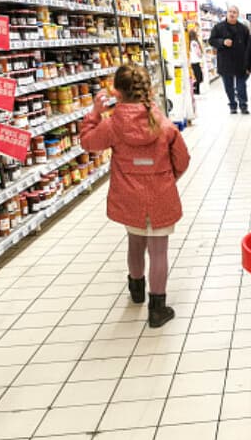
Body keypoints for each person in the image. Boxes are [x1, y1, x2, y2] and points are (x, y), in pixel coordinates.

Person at [80, 65, 190, 328]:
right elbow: (183, 159)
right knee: (159, 251)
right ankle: (157, 309)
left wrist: (94, 113)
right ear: (147, 89)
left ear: (116, 92)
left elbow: (88, 143)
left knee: (135, 243)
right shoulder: (163, 124)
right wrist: (166, 177)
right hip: (160, 194)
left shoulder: (113, 125)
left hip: (128, 196)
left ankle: (137, 292)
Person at [208, 5, 251, 114]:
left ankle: (243, 105)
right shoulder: (218, 27)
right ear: (226, 13)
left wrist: (249, 64)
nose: (232, 14)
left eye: (234, 12)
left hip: (240, 62)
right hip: (225, 62)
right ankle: (232, 105)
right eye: (230, 11)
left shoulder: (243, 29)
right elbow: (211, 40)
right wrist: (222, 42)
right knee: (228, 86)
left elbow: (248, 46)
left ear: (238, 15)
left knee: (241, 85)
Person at [188, 29, 204, 95]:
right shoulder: (194, 42)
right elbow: (197, 51)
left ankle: (196, 90)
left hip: (195, 62)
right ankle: (196, 90)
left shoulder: (192, 42)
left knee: (199, 77)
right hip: (195, 61)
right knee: (199, 77)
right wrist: (201, 55)